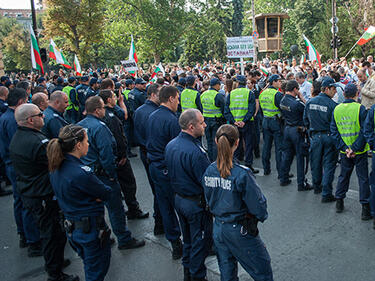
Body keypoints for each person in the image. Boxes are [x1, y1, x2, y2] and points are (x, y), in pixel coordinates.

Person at [9, 103, 78, 281]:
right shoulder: (36, 141)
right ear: (30, 120)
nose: (44, 117)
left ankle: (56, 263)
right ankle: (55, 273)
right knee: (51, 233)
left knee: (51, 232)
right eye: (40, 114)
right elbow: (56, 161)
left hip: (32, 192)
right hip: (42, 194)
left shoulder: (20, 137)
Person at [202, 124, 273, 281]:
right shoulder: (242, 174)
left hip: (219, 227)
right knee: (262, 270)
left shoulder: (209, 170)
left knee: (227, 273)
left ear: (215, 141)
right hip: (239, 229)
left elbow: (208, 197)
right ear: (237, 143)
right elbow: (258, 206)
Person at [78, 96, 145, 250]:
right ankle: (123, 238)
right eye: (102, 107)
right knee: (115, 208)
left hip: (88, 174)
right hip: (102, 173)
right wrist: (111, 175)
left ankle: (103, 235)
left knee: (96, 209)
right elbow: (107, 154)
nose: (104, 110)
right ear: (97, 110)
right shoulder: (100, 127)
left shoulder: (80, 125)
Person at [48, 125, 112, 281]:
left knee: (89, 264)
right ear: (78, 145)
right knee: (96, 270)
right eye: (87, 141)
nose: (88, 145)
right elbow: (105, 192)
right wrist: (95, 197)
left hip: (73, 226)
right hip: (89, 228)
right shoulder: (81, 172)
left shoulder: (57, 166)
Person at [165, 109, 212, 281]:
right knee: (200, 242)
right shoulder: (195, 152)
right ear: (191, 126)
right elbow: (206, 181)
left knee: (189, 241)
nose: (205, 125)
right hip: (195, 204)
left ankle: (188, 272)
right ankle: (197, 276)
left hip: (180, 199)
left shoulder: (171, 145)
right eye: (201, 122)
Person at [0, 88, 41, 255]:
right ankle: (32, 240)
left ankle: (24, 234)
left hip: (12, 165)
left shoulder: (6, 117)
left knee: (21, 201)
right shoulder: (13, 121)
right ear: (20, 103)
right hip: (18, 166)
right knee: (26, 203)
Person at [98, 90, 148, 220]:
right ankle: (132, 209)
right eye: (114, 97)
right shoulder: (111, 117)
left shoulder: (106, 114)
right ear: (109, 100)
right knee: (128, 183)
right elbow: (118, 138)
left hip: (110, 158)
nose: (116, 98)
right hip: (119, 158)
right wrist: (123, 155)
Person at [146, 85, 182, 259]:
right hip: (167, 168)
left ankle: (175, 242)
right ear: (170, 99)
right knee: (181, 206)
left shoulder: (152, 115)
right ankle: (184, 243)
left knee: (165, 206)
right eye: (177, 98)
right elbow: (177, 148)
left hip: (154, 166)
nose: (179, 102)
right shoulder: (171, 119)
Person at [331, 83, 372, 219]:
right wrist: (355, 148)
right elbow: (364, 131)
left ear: (344, 94)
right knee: (363, 179)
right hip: (359, 152)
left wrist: (345, 148)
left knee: (343, 176)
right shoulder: (360, 108)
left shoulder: (337, 109)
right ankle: (365, 209)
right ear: (356, 94)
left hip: (345, 152)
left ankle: (339, 201)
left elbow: (334, 131)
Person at [133, 84, 164, 235]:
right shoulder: (155, 113)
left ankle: (160, 221)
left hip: (145, 153)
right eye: (159, 94)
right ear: (152, 94)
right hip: (154, 155)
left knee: (156, 189)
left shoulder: (139, 111)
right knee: (161, 191)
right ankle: (160, 222)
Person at [304, 77, 338, 201]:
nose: (335, 92)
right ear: (326, 89)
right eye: (333, 89)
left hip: (315, 136)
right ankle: (326, 193)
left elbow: (306, 121)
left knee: (315, 162)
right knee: (329, 165)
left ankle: (317, 186)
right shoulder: (333, 105)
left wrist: (311, 133)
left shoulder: (310, 102)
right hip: (329, 136)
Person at [279, 80, 312, 191]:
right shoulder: (297, 103)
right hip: (297, 130)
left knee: (286, 155)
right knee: (300, 157)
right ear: (295, 90)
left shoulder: (282, 100)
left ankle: (283, 178)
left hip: (287, 129)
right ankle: (301, 183)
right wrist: (302, 97)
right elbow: (307, 110)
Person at [224, 75, 258, 173]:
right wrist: (244, 121)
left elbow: (226, 110)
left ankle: (236, 164)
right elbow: (251, 110)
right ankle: (248, 165)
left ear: (237, 83)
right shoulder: (249, 93)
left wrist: (234, 121)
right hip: (247, 123)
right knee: (248, 144)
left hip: (235, 124)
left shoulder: (231, 94)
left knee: (235, 145)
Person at [258, 74, 283, 177]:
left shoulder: (262, 93)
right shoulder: (277, 94)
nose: (280, 82)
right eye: (278, 81)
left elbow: (260, 109)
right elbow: (282, 108)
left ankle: (266, 169)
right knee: (278, 148)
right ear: (273, 82)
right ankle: (281, 172)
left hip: (265, 121)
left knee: (266, 146)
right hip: (275, 122)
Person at [200, 77, 226, 161]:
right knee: (215, 142)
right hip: (216, 121)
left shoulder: (203, 94)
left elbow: (201, 107)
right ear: (217, 85)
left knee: (209, 141)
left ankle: (210, 159)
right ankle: (216, 160)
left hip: (205, 120)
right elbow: (223, 108)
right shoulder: (218, 95)